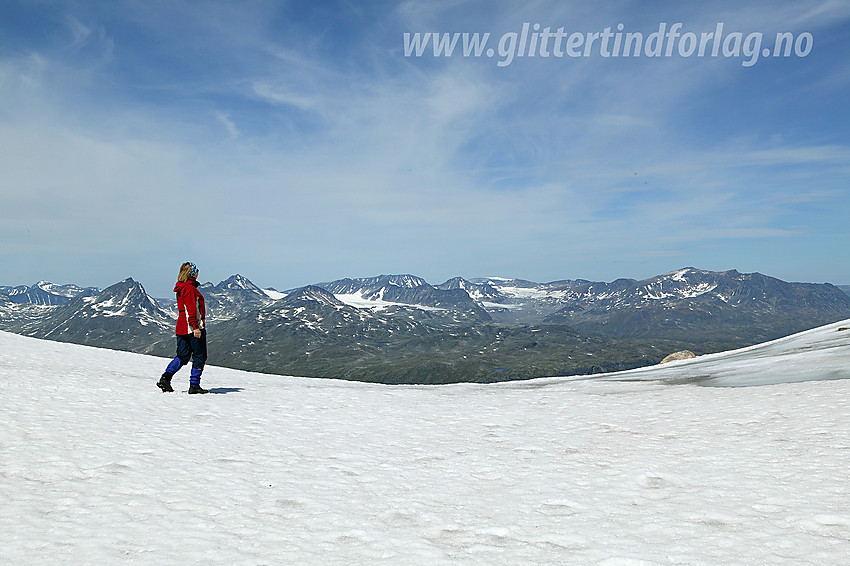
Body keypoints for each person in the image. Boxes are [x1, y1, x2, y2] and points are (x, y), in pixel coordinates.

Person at [157, 262, 209, 394]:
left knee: (183, 355)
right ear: (192, 273)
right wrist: (195, 326)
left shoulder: (181, 287)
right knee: (199, 356)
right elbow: (191, 309)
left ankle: (165, 378)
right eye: (196, 271)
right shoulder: (189, 288)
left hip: (181, 328)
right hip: (192, 328)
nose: (198, 273)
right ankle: (194, 385)